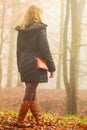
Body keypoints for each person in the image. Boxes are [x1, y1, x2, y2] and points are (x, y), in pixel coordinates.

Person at [15, 4, 56, 128]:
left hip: (24, 63)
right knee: (29, 93)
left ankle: (38, 119)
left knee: (32, 93)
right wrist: (52, 67)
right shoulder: (40, 29)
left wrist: (20, 67)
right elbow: (45, 49)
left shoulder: (21, 30)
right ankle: (20, 120)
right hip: (35, 65)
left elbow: (18, 51)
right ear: (38, 14)